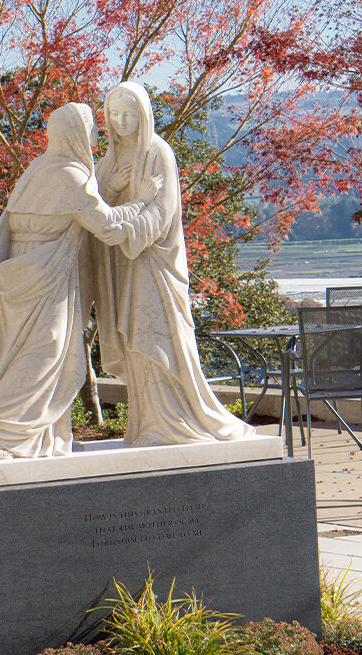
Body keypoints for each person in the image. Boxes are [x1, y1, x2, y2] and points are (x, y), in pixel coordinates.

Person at [0, 103, 142, 461]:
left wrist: (108, 188)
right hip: (45, 279)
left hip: (20, 274)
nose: (96, 137)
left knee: (17, 354)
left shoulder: (37, 169)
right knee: (46, 354)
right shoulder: (70, 176)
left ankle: (41, 438)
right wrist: (144, 206)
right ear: (76, 134)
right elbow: (109, 228)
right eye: (92, 130)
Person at [92, 82, 256, 446]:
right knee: (135, 344)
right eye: (115, 114)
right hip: (121, 269)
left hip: (153, 265)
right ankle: (148, 424)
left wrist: (123, 232)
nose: (121, 121)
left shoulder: (158, 153)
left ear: (144, 115)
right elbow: (93, 210)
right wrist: (109, 193)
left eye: (130, 114)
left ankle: (171, 423)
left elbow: (162, 213)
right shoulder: (106, 163)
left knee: (155, 341)